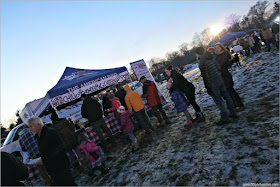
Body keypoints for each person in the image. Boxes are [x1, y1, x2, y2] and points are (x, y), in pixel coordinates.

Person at [27, 116, 77, 186]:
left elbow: (60, 148)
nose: (30, 129)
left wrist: (43, 160)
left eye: (31, 126)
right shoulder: (40, 136)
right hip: (53, 170)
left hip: (61, 168)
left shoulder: (50, 133)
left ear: (38, 124)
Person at [195, 47, 238, 125]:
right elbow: (218, 68)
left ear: (198, 54)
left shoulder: (202, 63)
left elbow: (206, 77)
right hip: (219, 80)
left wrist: (208, 88)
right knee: (227, 96)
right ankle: (233, 112)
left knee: (219, 101)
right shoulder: (211, 57)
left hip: (213, 84)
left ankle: (225, 118)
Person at [215, 43, 245, 110]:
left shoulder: (224, 54)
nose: (217, 49)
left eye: (218, 47)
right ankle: (234, 105)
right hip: (222, 75)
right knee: (228, 91)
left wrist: (217, 67)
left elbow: (223, 64)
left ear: (221, 48)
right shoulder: (217, 56)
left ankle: (239, 104)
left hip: (226, 75)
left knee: (231, 90)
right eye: (216, 48)